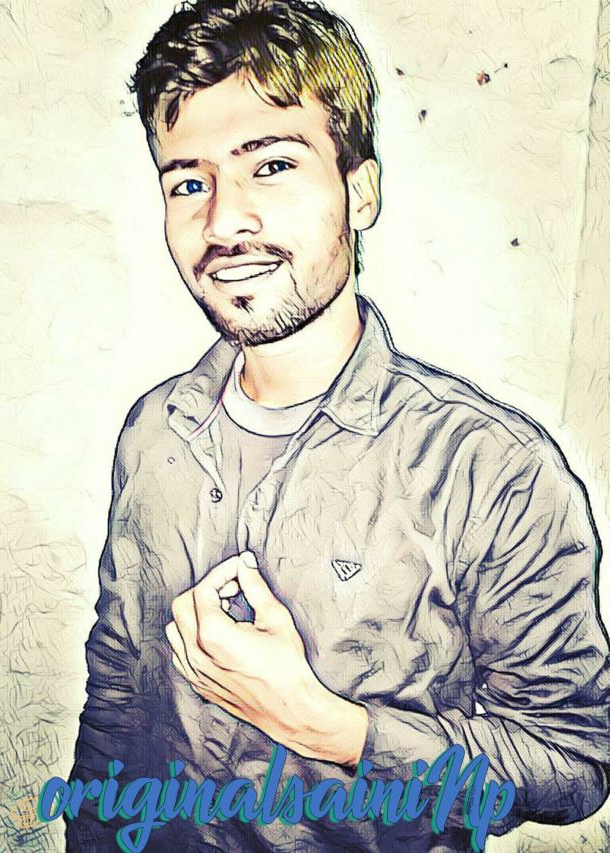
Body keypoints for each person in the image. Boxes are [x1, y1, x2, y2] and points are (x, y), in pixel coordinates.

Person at [67, 0, 610, 850]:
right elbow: (114, 700)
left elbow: (571, 759)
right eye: (188, 182)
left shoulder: (494, 470)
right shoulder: (153, 434)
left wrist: (326, 724)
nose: (223, 221)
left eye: (272, 165)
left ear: (360, 192)